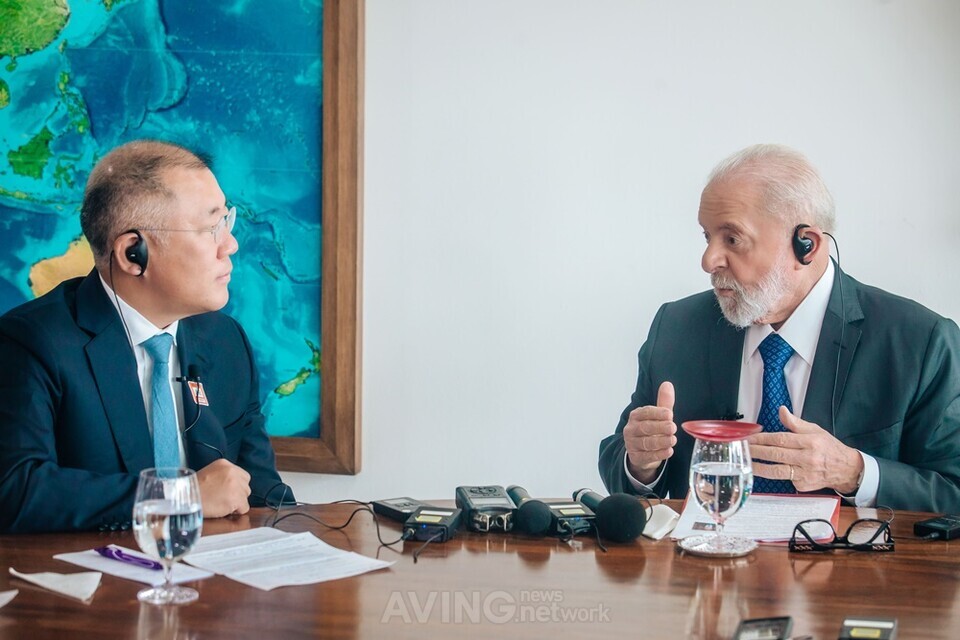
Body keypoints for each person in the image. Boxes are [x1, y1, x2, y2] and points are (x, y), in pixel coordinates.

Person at [599, 144, 960, 512]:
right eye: (708, 237)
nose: (708, 261)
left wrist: (855, 472)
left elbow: (953, 492)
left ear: (807, 245)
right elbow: (620, 463)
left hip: (853, 568)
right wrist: (641, 464)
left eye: (733, 239)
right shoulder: (677, 327)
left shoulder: (920, 342)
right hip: (708, 564)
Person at [0, 140, 293, 533]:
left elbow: (262, 494)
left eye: (227, 221)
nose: (230, 245)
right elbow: (17, 491)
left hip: (212, 586)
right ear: (132, 253)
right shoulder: (34, 342)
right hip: (94, 586)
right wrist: (180, 495)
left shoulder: (225, 340)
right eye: (210, 229)